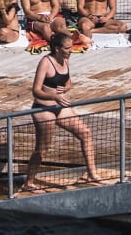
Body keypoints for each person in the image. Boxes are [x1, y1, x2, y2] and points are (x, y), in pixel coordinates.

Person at [21, 31, 103, 193]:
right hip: (44, 109)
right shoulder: (46, 62)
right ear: (57, 49)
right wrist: (53, 96)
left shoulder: (65, 60)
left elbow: (68, 82)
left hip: (61, 108)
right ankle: (28, 183)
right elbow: (36, 90)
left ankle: (92, 174)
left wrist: (65, 88)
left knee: (85, 133)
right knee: (42, 149)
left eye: (71, 47)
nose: (70, 50)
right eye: (67, 48)